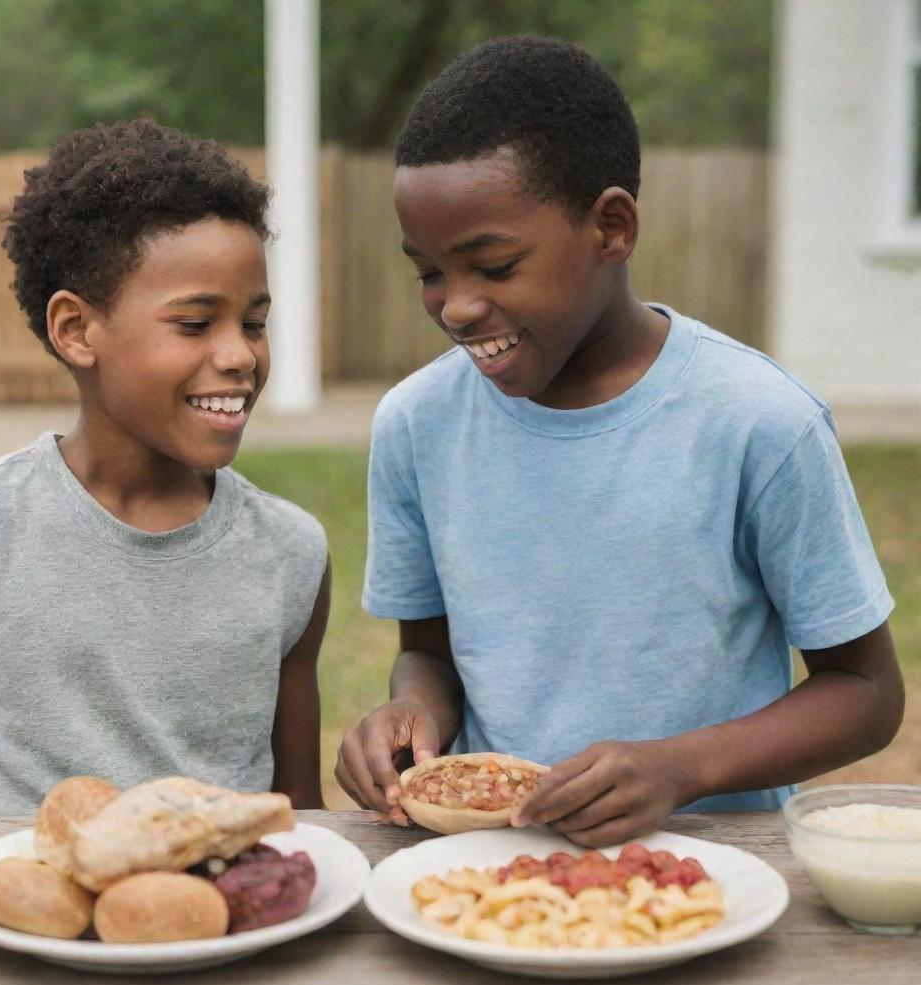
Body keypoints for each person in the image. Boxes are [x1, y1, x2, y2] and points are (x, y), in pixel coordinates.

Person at [335, 37, 904, 845]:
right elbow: (429, 652)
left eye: (492, 266)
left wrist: (680, 768)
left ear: (612, 227)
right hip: (484, 870)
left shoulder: (759, 422)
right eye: (428, 272)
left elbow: (867, 693)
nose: (455, 307)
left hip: (708, 867)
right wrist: (412, 714)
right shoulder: (416, 424)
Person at [0, 119, 329, 815]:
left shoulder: (290, 551)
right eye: (195, 324)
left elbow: (298, 809)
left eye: (253, 323)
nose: (242, 356)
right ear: (77, 331)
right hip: (1, 913)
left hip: (217, 921)